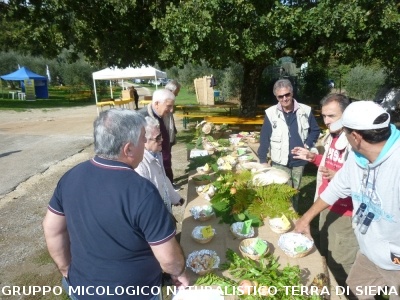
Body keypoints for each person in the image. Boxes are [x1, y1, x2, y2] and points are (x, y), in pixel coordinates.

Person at [42, 109, 189, 300]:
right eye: (143, 139)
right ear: (128, 149)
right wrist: (180, 273)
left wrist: (66, 269)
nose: (145, 144)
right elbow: (169, 260)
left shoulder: (71, 176)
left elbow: (52, 229)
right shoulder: (142, 191)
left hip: (81, 289)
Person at [295, 101, 400, 299]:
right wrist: (305, 219)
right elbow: (335, 188)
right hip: (369, 255)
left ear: (355, 136)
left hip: (396, 263)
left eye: (345, 131)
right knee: (354, 292)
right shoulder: (358, 157)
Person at [291, 94, 358, 292]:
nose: (326, 121)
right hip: (324, 204)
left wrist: (340, 176)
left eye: (331, 116)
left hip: (345, 214)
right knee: (323, 252)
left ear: (346, 115)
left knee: (341, 263)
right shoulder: (333, 136)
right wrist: (314, 158)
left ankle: (350, 294)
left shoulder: (357, 142)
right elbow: (330, 163)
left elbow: (366, 183)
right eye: (324, 116)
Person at [257, 78, 320, 211]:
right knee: (282, 191)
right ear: (277, 97)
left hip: (299, 160)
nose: (285, 98)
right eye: (281, 96)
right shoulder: (271, 113)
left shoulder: (305, 110)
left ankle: (294, 215)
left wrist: (307, 145)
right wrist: (262, 159)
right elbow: (264, 137)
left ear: (292, 93)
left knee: (294, 190)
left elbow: (315, 130)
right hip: (279, 161)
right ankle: (282, 216)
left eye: (287, 95)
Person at [135, 116, 185, 214]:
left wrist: (175, 198)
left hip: (165, 210)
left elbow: (163, 179)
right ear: (144, 141)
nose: (161, 140)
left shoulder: (157, 153)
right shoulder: (140, 165)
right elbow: (144, 198)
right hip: (156, 215)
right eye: (157, 138)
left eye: (161, 135)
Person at [139, 89, 175, 186]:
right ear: (157, 104)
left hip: (163, 161)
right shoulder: (141, 118)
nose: (171, 110)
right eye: (169, 106)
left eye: (172, 106)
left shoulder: (163, 115)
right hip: (152, 166)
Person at [165, 80, 181, 190]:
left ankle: (169, 182)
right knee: (165, 161)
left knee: (167, 159)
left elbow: (170, 119)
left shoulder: (169, 100)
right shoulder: (163, 101)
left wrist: (173, 130)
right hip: (164, 137)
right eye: (176, 92)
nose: (177, 95)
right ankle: (169, 185)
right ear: (171, 90)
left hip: (168, 136)